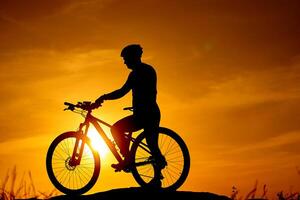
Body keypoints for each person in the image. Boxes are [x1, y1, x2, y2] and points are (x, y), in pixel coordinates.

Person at [93, 44, 166, 188]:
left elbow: (123, 92)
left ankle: (128, 158)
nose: (124, 62)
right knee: (151, 145)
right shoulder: (143, 71)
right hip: (147, 112)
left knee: (116, 129)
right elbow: (131, 91)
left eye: (126, 59)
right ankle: (154, 174)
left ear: (133, 57)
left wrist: (104, 97)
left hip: (147, 114)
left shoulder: (141, 72)